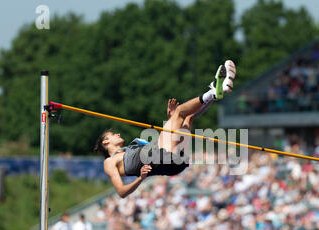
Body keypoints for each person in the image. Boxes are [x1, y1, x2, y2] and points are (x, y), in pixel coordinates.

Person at [94, 60, 236, 198]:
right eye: (112, 134)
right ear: (105, 142)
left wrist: (171, 120)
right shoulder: (109, 162)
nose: (117, 134)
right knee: (180, 112)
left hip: (175, 164)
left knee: (188, 117)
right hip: (162, 159)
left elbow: (163, 142)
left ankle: (217, 90)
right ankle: (213, 91)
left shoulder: (130, 149)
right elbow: (121, 192)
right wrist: (141, 178)